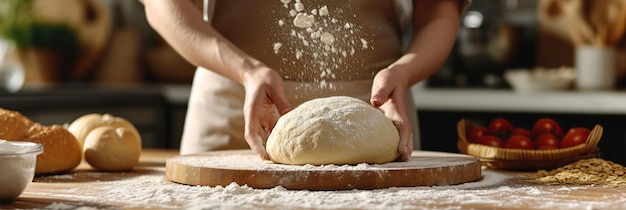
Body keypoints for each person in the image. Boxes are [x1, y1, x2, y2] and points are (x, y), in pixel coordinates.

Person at [143, 0, 468, 161]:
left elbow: (439, 13)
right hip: (237, 111)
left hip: (377, 113)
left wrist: (404, 71)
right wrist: (246, 70)